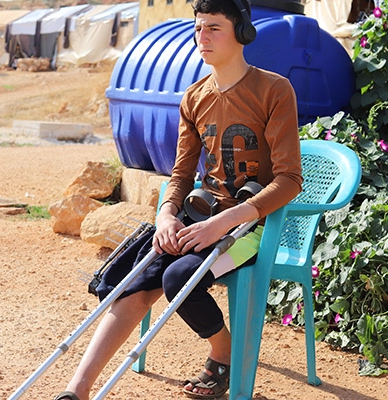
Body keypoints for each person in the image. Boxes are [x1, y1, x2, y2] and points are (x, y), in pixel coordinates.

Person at [53, 0, 302, 398]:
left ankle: (223, 353)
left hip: (251, 228)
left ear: (242, 32)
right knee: (133, 282)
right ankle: (77, 390)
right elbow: (181, 174)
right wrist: (167, 215)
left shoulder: (273, 89)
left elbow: (290, 180)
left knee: (177, 277)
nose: (202, 37)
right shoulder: (193, 97)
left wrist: (225, 222)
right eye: (199, 27)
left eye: (214, 28)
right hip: (198, 218)